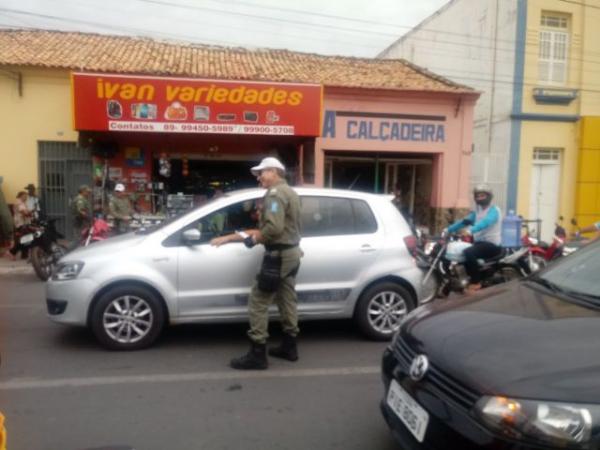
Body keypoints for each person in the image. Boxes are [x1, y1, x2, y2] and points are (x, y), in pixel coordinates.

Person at [211, 157, 302, 370]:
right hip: (291, 254)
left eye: (262, 173)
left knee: (258, 301)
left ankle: (258, 354)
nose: (259, 178)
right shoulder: (291, 192)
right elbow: (293, 226)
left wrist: (253, 239)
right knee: (287, 299)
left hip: (278, 256)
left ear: (273, 172)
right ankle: (290, 347)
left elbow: (274, 229)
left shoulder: (275, 194)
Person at [445, 184, 503, 294]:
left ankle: (476, 282)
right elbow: (464, 221)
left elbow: (486, 222)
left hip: (492, 244)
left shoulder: (494, 210)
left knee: (468, 252)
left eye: (482, 195)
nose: (479, 198)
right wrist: (448, 230)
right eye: (478, 196)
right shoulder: (477, 212)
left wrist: (471, 230)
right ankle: (464, 279)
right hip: (480, 243)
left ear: (489, 196)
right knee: (461, 254)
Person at [7, 191, 32, 260]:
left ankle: (24, 254)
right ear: (21, 196)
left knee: (26, 239)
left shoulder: (22, 202)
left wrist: (29, 212)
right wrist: (30, 213)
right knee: (24, 239)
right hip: (21, 223)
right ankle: (12, 252)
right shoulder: (19, 203)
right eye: (25, 196)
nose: (26, 197)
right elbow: (24, 213)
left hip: (22, 223)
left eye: (26, 196)